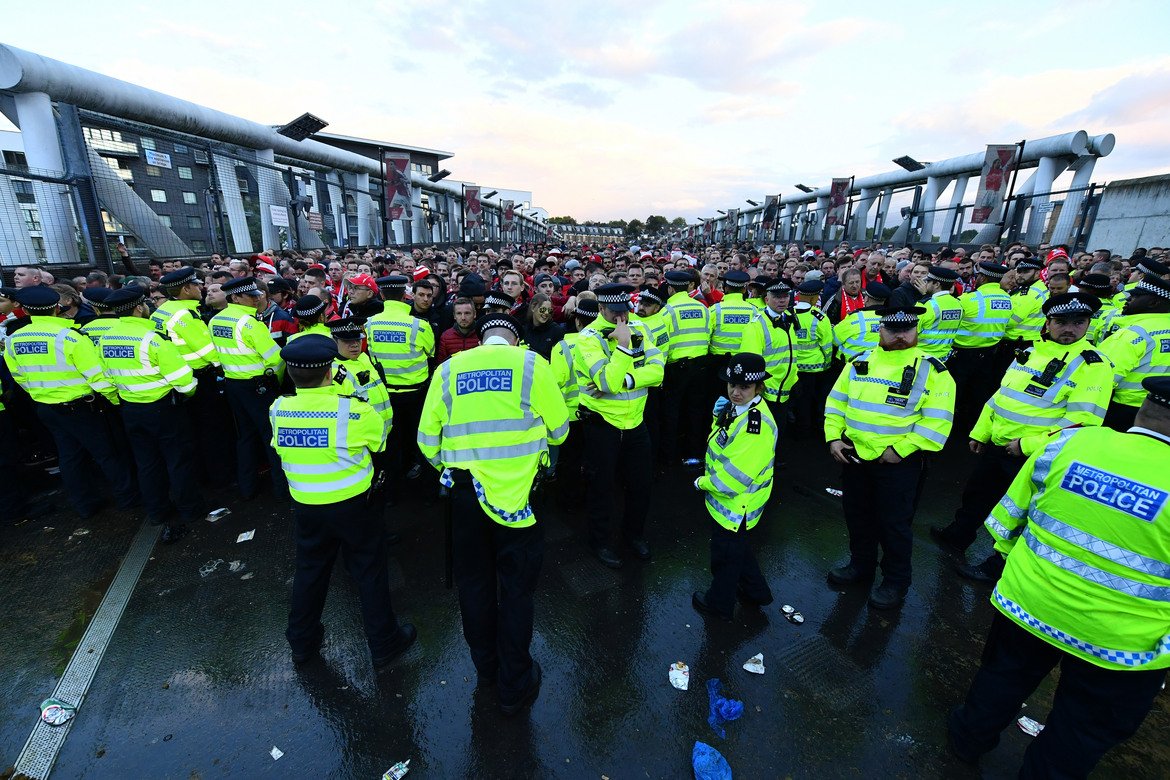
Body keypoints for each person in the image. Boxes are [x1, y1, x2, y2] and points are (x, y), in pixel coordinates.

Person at [946, 377, 1170, 777]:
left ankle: (967, 744)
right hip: (1122, 645)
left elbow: (1006, 520)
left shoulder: (1073, 443)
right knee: (1081, 729)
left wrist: (1022, 570)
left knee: (1000, 681)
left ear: (1142, 410)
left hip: (1028, 604)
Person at [417, 312, 570, 715]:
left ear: (482, 339)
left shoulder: (449, 370)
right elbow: (559, 431)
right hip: (519, 500)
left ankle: (487, 670)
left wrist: (453, 470)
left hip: (466, 498)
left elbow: (427, 441)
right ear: (515, 340)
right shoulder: (532, 363)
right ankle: (515, 682)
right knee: (517, 591)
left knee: (475, 586)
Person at [931, 293, 1114, 581]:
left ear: (1088, 324)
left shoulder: (1092, 365)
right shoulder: (1030, 352)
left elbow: (1082, 422)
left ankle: (998, 565)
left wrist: (1027, 446)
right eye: (1061, 322)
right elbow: (1001, 396)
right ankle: (958, 534)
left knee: (1019, 511)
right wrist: (982, 432)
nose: (1070, 329)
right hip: (999, 445)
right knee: (977, 493)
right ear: (1048, 322)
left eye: (1079, 322)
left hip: (1034, 455)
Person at [270, 335, 416, 669]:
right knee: (369, 571)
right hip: (354, 505)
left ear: (291, 373)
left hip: (307, 505)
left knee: (310, 571)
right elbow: (380, 444)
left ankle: (302, 641)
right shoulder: (354, 410)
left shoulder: (278, 410)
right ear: (330, 371)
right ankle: (384, 642)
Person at [824, 306, 956, 609]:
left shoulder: (932, 369)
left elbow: (937, 422)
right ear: (880, 330)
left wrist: (900, 451)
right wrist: (833, 437)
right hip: (855, 459)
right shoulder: (859, 363)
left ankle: (896, 581)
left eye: (906, 330)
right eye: (893, 330)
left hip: (897, 464)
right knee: (858, 517)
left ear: (916, 331)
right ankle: (861, 566)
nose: (900, 336)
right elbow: (835, 404)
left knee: (894, 525)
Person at [3, 286, 139, 518]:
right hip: (81, 407)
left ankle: (85, 504)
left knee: (70, 457)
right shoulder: (69, 337)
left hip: (47, 408)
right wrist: (116, 401)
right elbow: (96, 376)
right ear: (57, 308)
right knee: (107, 454)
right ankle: (128, 498)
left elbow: (19, 377)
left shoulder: (14, 339)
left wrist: (42, 395)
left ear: (25, 311)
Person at [97, 286, 204, 542]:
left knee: (147, 463)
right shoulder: (153, 339)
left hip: (130, 409)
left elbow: (105, 378)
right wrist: (188, 394)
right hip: (164, 408)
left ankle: (157, 511)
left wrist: (119, 399)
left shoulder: (106, 339)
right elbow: (183, 380)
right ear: (139, 307)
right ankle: (190, 509)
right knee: (177, 460)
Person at [574, 284, 665, 568]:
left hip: (635, 421)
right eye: (615, 312)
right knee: (601, 487)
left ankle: (633, 535)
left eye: (624, 310)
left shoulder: (638, 326)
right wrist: (623, 348)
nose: (621, 317)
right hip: (604, 424)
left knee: (641, 485)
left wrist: (626, 380)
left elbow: (658, 369)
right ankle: (599, 542)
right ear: (601, 309)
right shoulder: (587, 338)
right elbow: (605, 383)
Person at [691, 353, 778, 621]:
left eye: (744, 387)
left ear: (758, 388)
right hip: (730, 506)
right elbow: (720, 442)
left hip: (735, 505)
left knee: (725, 558)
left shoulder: (757, 426)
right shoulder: (736, 408)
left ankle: (718, 605)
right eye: (732, 385)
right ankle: (756, 593)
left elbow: (733, 479)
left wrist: (701, 483)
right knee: (737, 550)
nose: (736, 392)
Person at [208, 277, 287, 500]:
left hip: (234, 385)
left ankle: (247, 487)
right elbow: (277, 360)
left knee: (245, 437)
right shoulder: (251, 324)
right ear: (235, 298)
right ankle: (281, 490)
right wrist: (276, 383)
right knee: (271, 437)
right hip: (258, 387)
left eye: (256, 295)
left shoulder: (216, 320)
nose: (256, 299)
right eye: (250, 296)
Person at [366, 275, 435, 485]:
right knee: (420, 441)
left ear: (382, 295)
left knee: (392, 443)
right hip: (416, 395)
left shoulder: (370, 324)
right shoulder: (420, 326)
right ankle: (426, 493)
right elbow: (430, 353)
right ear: (405, 296)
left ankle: (392, 492)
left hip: (386, 396)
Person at [1097, 274, 1170, 432]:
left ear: (1153, 302)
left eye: (1136, 296)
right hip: (1163, 410)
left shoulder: (1134, 334)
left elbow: (1101, 378)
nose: (1128, 299)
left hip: (1122, 411)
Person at [949, 261, 1012, 437]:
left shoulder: (970, 299)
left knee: (956, 393)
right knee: (979, 394)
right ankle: (972, 430)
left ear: (982, 277)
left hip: (963, 355)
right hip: (990, 354)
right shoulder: (1007, 299)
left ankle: (952, 432)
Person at [659, 269, 711, 468]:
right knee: (696, 412)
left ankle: (669, 458)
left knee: (671, 414)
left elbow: (663, 344)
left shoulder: (668, 311)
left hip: (677, 369)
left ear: (671, 288)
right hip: (701, 367)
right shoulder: (702, 308)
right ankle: (694, 454)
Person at [741, 279, 798, 441]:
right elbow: (751, 363)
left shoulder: (789, 319)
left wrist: (795, 378)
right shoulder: (756, 325)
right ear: (766, 299)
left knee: (780, 434)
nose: (782, 300)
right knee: (764, 436)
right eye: (776, 297)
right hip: (765, 392)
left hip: (786, 390)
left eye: (785, 296)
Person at [790, 279, 834, 438]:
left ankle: (795, 428)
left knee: (794, 399)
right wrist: (827, 364)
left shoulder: (788, 313)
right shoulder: (820, 317)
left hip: (792, 367)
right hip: (814, 368)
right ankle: (808, 430)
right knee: (811, 400)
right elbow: (827, 345)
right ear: (814, 298)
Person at [916, 267, 963, 360]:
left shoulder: (925, 305)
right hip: (945, 357)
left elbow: (911, 332)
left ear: (937, 284)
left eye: (928, 281)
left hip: (923, 356)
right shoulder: (958, 303)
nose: (926, 284)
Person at [522, 293, 565, 360]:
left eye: (549, 310)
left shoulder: (556, 331)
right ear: (533, 307)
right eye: (543, 309)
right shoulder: (524, 330)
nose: (546, 313)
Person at [437, 297, 480, 362]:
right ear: (454, 316)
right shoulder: (446, 337)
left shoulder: (481, 335)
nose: (463, 318)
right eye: (459, 313)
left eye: (467, 313)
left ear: (474, 314)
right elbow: (441, 365)